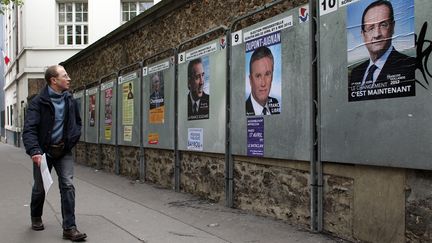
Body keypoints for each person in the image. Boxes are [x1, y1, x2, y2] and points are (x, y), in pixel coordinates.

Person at [22, 65, 87, 241]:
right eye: (65, 76)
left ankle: (69, 228)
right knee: (40, 187)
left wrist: (70, 141)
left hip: (63, 150)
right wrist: (34, 151)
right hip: (43, 152)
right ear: (54, 80)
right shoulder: (38, 102)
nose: (69, 78)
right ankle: (36, 216)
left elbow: (77, 123)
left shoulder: (70, 100)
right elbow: (29, 129)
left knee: (67, 185)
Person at [349, 0, 415, 90]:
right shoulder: (355, 73)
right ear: (363, 35)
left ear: (392, 28)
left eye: (383, 25)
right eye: (371, 28)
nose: (377, 34)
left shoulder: (411, 66)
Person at [246, 46, 280, 116]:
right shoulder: (243, 109)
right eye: (258, 76)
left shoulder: (275, 103)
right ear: (250, 80)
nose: (263, 83)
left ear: (272, 76)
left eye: (267, 74)